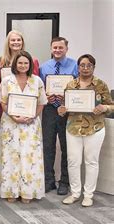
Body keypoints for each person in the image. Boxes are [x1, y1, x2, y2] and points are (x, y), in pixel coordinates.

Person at [58, 54, 113, 207]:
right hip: (73, 128)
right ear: (78, 67)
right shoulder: (70, 85)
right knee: (73, 162)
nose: (85, 68)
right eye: (82, 65)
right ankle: (75, 193)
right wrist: (61, 110)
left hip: (94, 129)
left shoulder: (100, 84)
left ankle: (88, 195)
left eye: (89, 65)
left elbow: (111, 105)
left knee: (91, 162)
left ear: (93, 67)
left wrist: (104, 107)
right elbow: (64, 107)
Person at [0, 51, 47, 204]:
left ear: (30, 65)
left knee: (28, 156)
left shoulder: (37, 81)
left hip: (31, 125)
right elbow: (2, 102)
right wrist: (13, 116)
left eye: (26, 63)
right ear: (14, 64)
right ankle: (10, 190)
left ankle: (27, 191)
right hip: (11, 124)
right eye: (20, 63)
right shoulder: (7, 81)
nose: (23, 65)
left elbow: (42, 103)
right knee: (10, 156)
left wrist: (32, 116)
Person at [39, 37, 78, 195]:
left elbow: (79, 88)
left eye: (60, 48)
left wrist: (68, 97)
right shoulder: (44, 67)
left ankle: (64, 182)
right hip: (49, 110)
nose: (57, 50)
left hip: (67, 111)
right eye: (55, 48)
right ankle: (49, 180)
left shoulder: (75, 65)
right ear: (51, 49)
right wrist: (45, 97)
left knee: (66, 147)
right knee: (48, 146)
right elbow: (40, 89)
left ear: (66, 49)